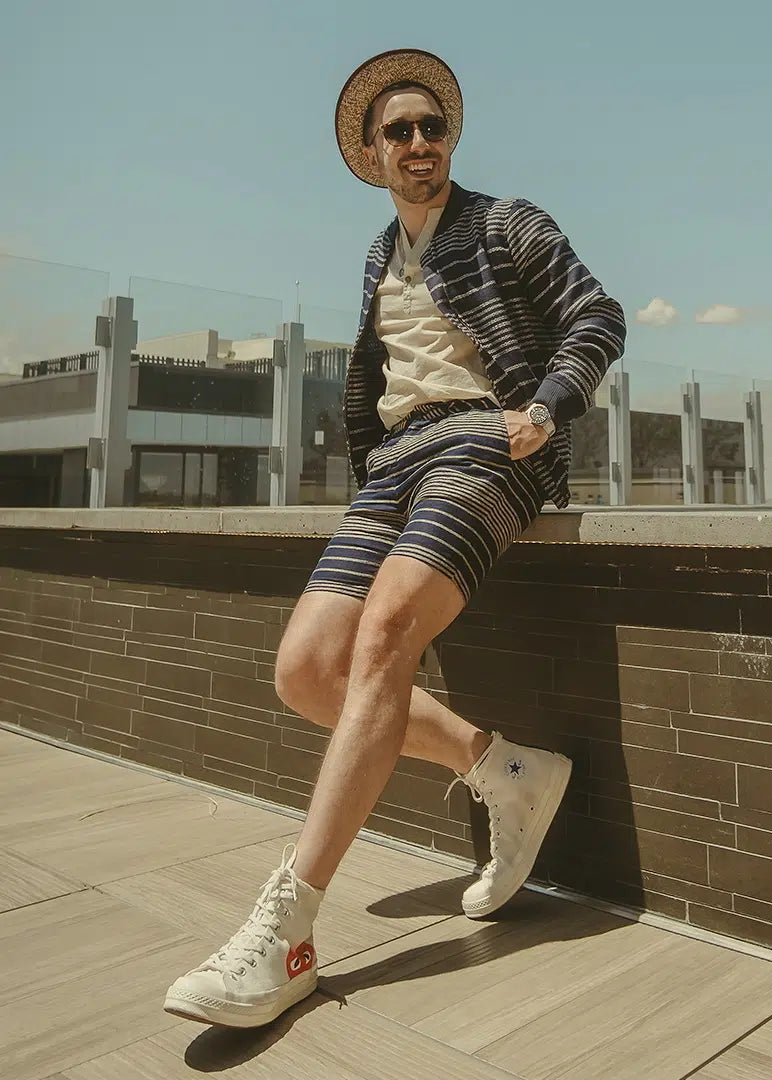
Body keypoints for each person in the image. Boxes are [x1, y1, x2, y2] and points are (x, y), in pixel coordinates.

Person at [164, 47, 626, 1029]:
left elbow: (596, 314)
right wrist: (369, 464)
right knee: (305, 672)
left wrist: (545, 407)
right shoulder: (381, 253)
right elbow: (378, 380)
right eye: (400, 132)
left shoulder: (505, 222)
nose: (420, 143)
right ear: (372, 154)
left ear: (448, 139)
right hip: (395, 467)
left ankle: (287, 930)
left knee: (383, 639)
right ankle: (505, 770)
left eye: (433, 127)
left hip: (488, 444)